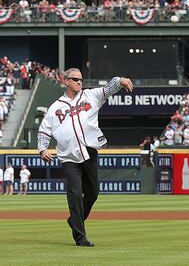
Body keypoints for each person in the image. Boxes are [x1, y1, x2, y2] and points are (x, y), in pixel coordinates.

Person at [38, 68, 133, 247]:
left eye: (81, 79)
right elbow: (44, 129)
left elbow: (108, 89)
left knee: (92, 193)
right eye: (75, 79)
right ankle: (80, 236)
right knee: (74, 195)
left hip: (89, 151)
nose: (79, 82)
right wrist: (42, 149)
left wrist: (121, 79)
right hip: (68, 156)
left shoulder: (90, 96)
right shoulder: (55, 107)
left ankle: (75, 220)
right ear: (66, 81)